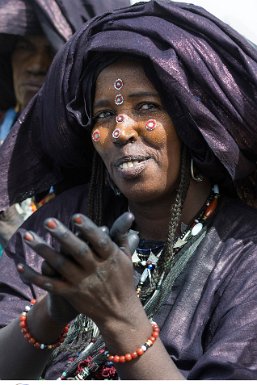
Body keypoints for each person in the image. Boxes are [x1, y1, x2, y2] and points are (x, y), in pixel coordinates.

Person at [0, 0, 257, 380]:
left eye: (147, 107)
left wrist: (120, 318)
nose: (121, 131)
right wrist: (52, 310)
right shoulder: (60, 224)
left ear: (191, 125)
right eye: (105, 114)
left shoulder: (246, 255)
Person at [0, 0, 131, 251]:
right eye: (25, 47)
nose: (37, 66)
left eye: (52, 50)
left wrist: (13, 229)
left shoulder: (102, 156)